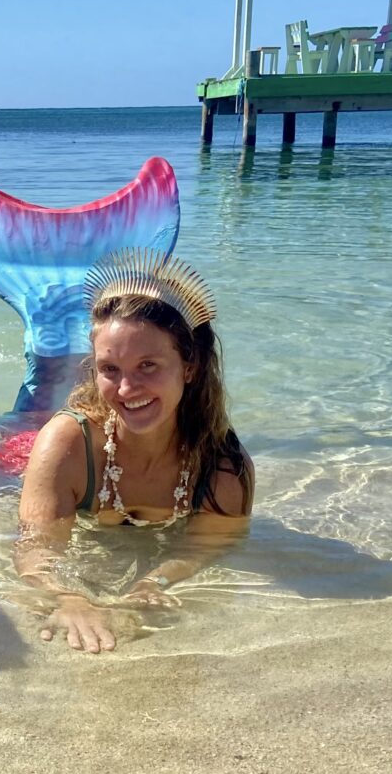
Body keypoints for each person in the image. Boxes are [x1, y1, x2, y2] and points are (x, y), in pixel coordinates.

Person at [15, 248, 254, 654]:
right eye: (110, 369)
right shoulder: (68, 445)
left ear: (190, 366)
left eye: (148, 366)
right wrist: (67, 597)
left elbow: (202, 548)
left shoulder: (223, 468)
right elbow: (35, 546)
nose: (126, 390)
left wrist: (155, 581)